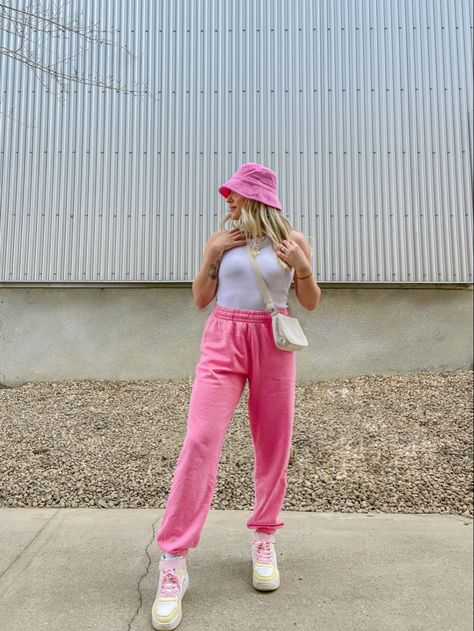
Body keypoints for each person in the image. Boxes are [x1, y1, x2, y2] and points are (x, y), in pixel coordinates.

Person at [151, 162, 321, 630]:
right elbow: (200, 298)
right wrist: (210, 255)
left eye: (237, 193)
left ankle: (264, 535)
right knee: (200, 441)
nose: (228, 198)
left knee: (273, 445)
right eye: (229, 192)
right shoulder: (221, 241)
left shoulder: (294, 241)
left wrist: (303, 269)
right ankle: (173, 560)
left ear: (259, 198)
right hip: (223, 338)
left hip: (273, 342)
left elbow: (310, 301)